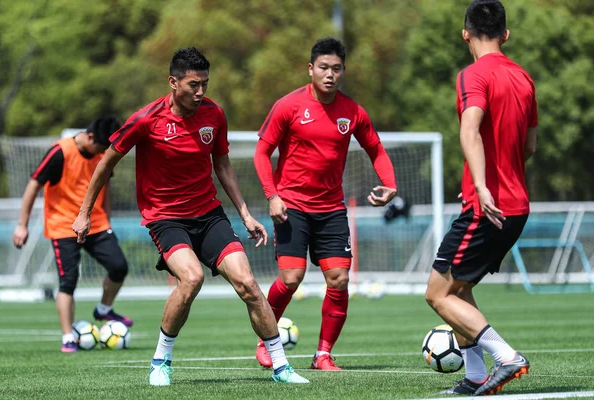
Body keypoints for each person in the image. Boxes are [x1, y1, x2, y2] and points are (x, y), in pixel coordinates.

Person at [72, 47, 309, 386]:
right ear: (173, 82)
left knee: (249, 285)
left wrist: (244, 214)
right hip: (165, 218)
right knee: (192, 278)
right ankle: (160, 361)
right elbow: (106, 162)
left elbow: (222, 165)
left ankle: (282, 367)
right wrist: (84, 214)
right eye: (193, 85)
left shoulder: (214, 115)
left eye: (205, 84)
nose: (200, 92)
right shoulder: (145, 119)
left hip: (209, 215)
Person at [253, 37, 398, 371]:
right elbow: (262, 152)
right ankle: (264, 340)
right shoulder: (288, 106)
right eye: (323, 68)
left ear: (343, 70)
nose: (329, 74)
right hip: (291, 206)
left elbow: (375, 148)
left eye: (336, 68)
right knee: (291, 278)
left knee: (339, 279)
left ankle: (323, 354)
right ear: (311, 69)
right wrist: (272, 196)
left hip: (331, 210)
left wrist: (390, 185)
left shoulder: (353, 112)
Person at [424, 0, 537, 396]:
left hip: (487, 206)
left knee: (437, 294)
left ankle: (506, 357)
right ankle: (475, 376)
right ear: (506, 34)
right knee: (461, 289)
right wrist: (483, 177)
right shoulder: (524, 77)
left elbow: (470, 130)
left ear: (465, 33)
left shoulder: (472, 75)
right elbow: (529, 145)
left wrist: (484, 185)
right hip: (517, 206)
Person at [12, 116, 133, 353]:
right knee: (68, 281)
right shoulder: (60, 152)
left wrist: (105, 216)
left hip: (96, 223)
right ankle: (68, 336)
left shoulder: (104, 153)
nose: (104, 152)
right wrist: (22, 224)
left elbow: (105, 185)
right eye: (101, 147)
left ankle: (104, 310)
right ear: (89, 137)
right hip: (63, 226)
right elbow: (33, 184)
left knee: (119, 267)